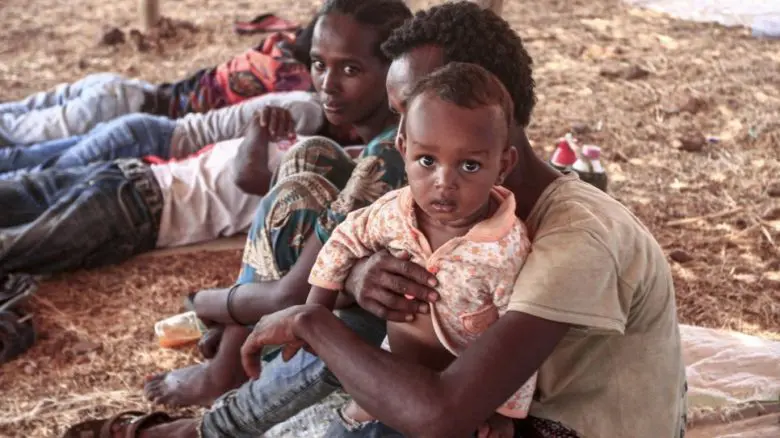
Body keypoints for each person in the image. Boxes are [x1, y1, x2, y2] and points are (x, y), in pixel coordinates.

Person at [64, 3, 686, 438]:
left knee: (354, 359)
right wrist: (357, 278)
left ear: (482, 104)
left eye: (406, 121)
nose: (389, 148)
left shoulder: (576, 236)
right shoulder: (453, 204)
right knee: (372, 308)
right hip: (482, 405)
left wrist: (310, 317)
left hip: (551, 427)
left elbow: (441, 415)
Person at [139, 0, 411, 410]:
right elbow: (256, 184)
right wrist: (257, 134)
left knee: (297, 193)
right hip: (344, 286)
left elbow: (290, 295)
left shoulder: (390, 152)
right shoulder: (380, 139)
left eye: (350, 69)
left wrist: (209, 303)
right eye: (319, 65)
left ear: (392, 71)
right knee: (310, 156)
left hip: (381, 318)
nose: (328, 84)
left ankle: (224, 372)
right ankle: (232, 350)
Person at [304, 62, 538, 435]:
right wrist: (317, 309)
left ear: (503, 165)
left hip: (457, 398)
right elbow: (345, 238)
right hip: (391, 373)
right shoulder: (395, 212)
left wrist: (503, 414)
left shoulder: (504, 249)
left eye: (470, 165)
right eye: (427, 161)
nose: (444, 183)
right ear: (404, 149)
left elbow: (519, 346)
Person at [0, 94, 324, 276]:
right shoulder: (319, 143)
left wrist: (257, 129)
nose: (329, 86)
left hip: (138, 212)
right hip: (126, 173)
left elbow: (248, 175)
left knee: (12, 247)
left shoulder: (330, 178)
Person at [0, 28, 313, 146]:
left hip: (124, 90)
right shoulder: (293, 79)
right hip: (124, 108)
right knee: (13, 137)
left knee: (10, 121)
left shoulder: (279, 42)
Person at [0, 90, 340, 178]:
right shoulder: (306, 114)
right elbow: (243, 165)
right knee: (45, 173)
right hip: (154, 140)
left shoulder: (302, 100)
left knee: (28, 162)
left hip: (144, 130)